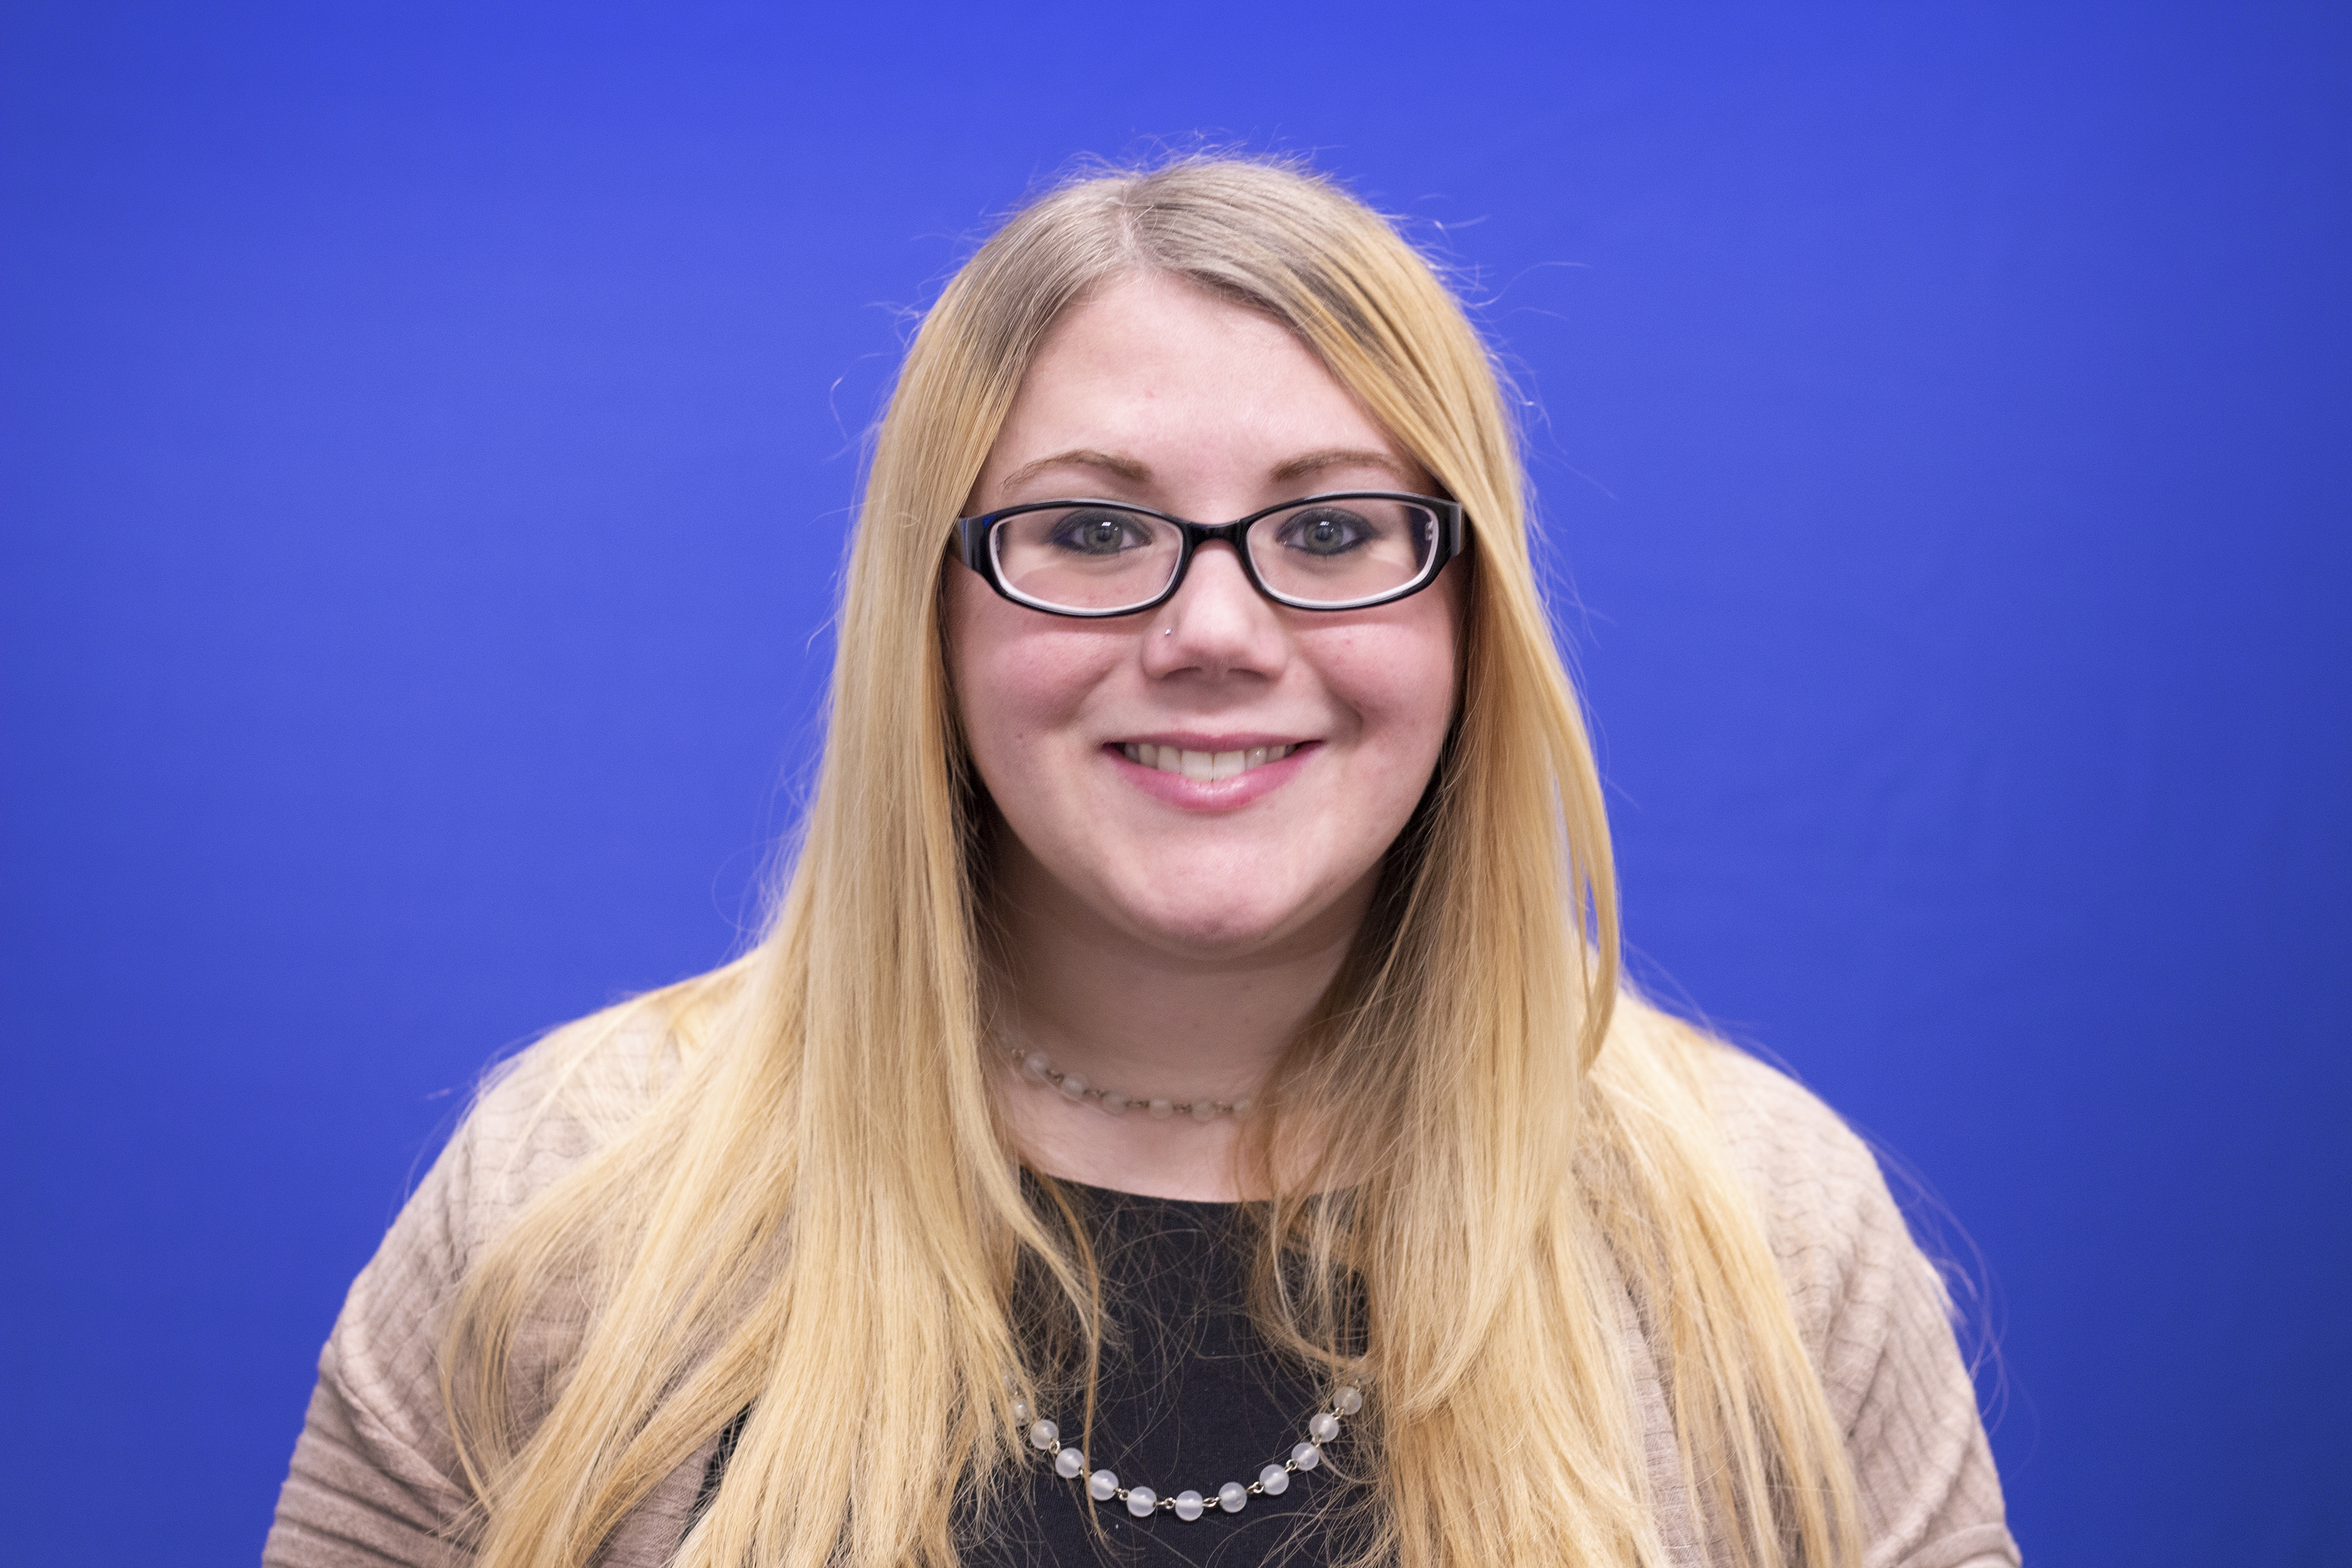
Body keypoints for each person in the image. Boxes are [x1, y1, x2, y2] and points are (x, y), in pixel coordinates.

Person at [265, 156, 2018, 1568]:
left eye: (1334, 530)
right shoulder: (576, 1197)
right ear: (929, 617)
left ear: (1472, 615)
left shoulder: (1767, 1232)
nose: (1214, 629)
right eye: (1092, 530)